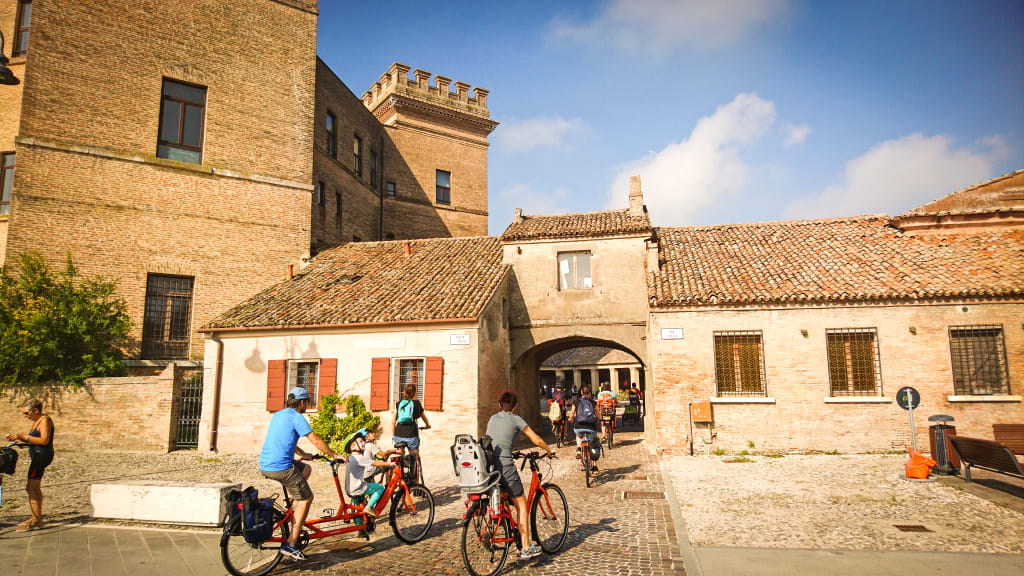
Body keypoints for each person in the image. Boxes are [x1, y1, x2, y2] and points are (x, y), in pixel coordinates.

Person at [259, 387, 344, 561]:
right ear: (302, 402)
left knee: (306, 469)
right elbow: (316, 440)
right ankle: (290, 545)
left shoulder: (278, 415)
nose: (308, 405)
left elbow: (285, 439)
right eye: (307, 402)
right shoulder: (297, 417)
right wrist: (335, 454)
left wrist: (303, 454)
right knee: (307, 498)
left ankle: (292, 498)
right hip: (281, 467)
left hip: (266, 464)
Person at [485, 390, 554, 561]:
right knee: (522, 505)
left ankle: (498, 525)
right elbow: (535, 438)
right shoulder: (516, 419)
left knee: (504, 497)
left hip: (489, 468)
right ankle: (525, 547)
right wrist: (548, 449)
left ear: (499, 405)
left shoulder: (492, 418)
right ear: (515, 406)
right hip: (505, 467)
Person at [6, 399, 54, 531]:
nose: (25, 415)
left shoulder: (44, 420)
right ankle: (36, 518)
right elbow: (35, 441)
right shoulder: (37, 421)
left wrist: (23, 436)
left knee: (30, 488)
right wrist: (20, 440)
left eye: (26, 413)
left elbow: (44, 440)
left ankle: (36, 520)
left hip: (40, 457)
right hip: (39, 456)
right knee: (35, 488)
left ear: (36, 411)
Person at [344, 428, 396, 518]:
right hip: (358, 489)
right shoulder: (358, 457)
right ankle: (369, 506)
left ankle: (361, 529)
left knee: (358, 512)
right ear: (352, 447)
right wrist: (389, 463)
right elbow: (375, 463)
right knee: (379, 487)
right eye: (360, 442)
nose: (363, 443)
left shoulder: (350, 458)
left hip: (350, 490)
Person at [393, 384, 430, 481]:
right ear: (414, 393)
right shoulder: (416, 404)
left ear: (404, 392)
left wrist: (393, 436)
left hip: (398, 434)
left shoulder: (399, 403)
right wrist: (427, 425)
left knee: (399, 457)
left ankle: (397, 478)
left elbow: (393, 421)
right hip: (411, 435)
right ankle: (415, 484)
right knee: (415, 459)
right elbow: (423, 417)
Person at [567, 384, 599, 472]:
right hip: (591, 428)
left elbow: (571, 414)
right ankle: (594, 466)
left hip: (579, 427)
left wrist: (570, 419)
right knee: (593, 444)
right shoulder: (593, 402)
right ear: (589, 393)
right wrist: (600, 419)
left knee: (578, 435)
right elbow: (599, 415)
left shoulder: (576, 402)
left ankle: (578, 449)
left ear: (581, 392)